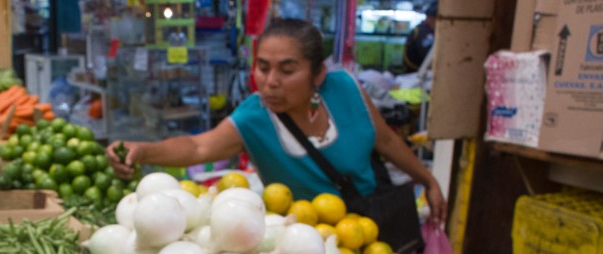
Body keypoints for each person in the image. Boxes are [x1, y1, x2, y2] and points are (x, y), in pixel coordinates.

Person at [106, 18, 447, 226]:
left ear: (317, 74)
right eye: (263, 67)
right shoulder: (255, 117)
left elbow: (385, 140)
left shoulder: (345, 90)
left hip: (376, 225)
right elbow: (199, 145)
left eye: (287, 70)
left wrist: (428, 181)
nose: (269, 81)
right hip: (309, 246)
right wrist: (143, 151)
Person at [403, 1, 437, 73]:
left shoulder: (431, 31)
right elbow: (429, 58)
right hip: (414, 74)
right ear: (430, 17)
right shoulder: (423, 32)